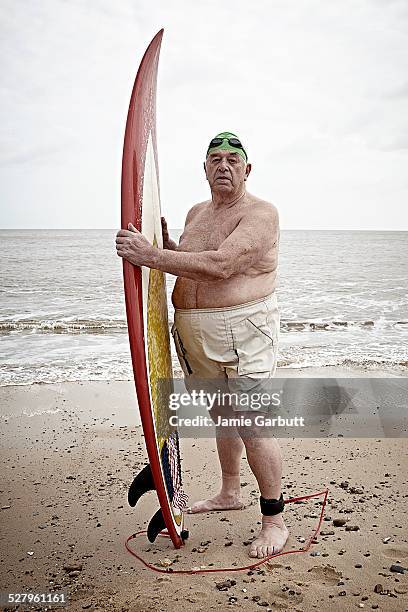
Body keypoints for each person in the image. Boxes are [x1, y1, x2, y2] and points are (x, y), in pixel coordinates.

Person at [116, 132, 288, 559]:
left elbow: (222, 264)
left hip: (245, 329)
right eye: (215, 159)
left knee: (251, 422)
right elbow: (192, 262)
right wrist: (168, 247)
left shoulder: (261, 214)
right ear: (205, 169)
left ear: (247, 170)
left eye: (233, 159)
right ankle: (231, 490)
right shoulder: (197, 212)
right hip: (194, 332)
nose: (224, 166)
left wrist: (151, 257)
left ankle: (274, 519)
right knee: (222, 414)